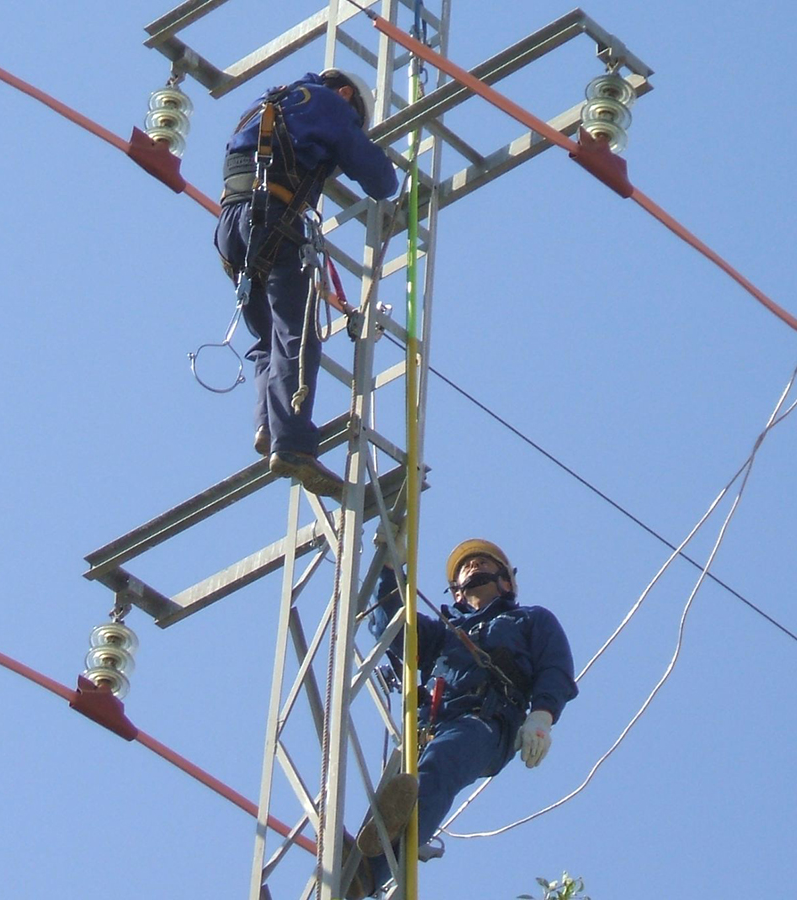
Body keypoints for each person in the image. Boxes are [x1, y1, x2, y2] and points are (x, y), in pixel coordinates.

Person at [353, 538, 579, 896]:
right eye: (464, 567)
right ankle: (355, 870)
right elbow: (390, 627)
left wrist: (542, 716)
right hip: (427, 730)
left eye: (482, 562)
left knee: (441, 764)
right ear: (455, 591)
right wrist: (388, 570)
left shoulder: (530, 619)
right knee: (397, 791)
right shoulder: (440, 635)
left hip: (487, 721)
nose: (472, 567)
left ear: (506, 581)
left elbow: (555, 668)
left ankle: (368, 872)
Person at [214, 69, 398, 499]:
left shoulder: (265, 105)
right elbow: (379, 180)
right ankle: (293, 444)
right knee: (297, 338)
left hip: (232, 228)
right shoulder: (329, 104)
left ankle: (268, 423)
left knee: (268, 338)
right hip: (274, 219)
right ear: (347, 94)